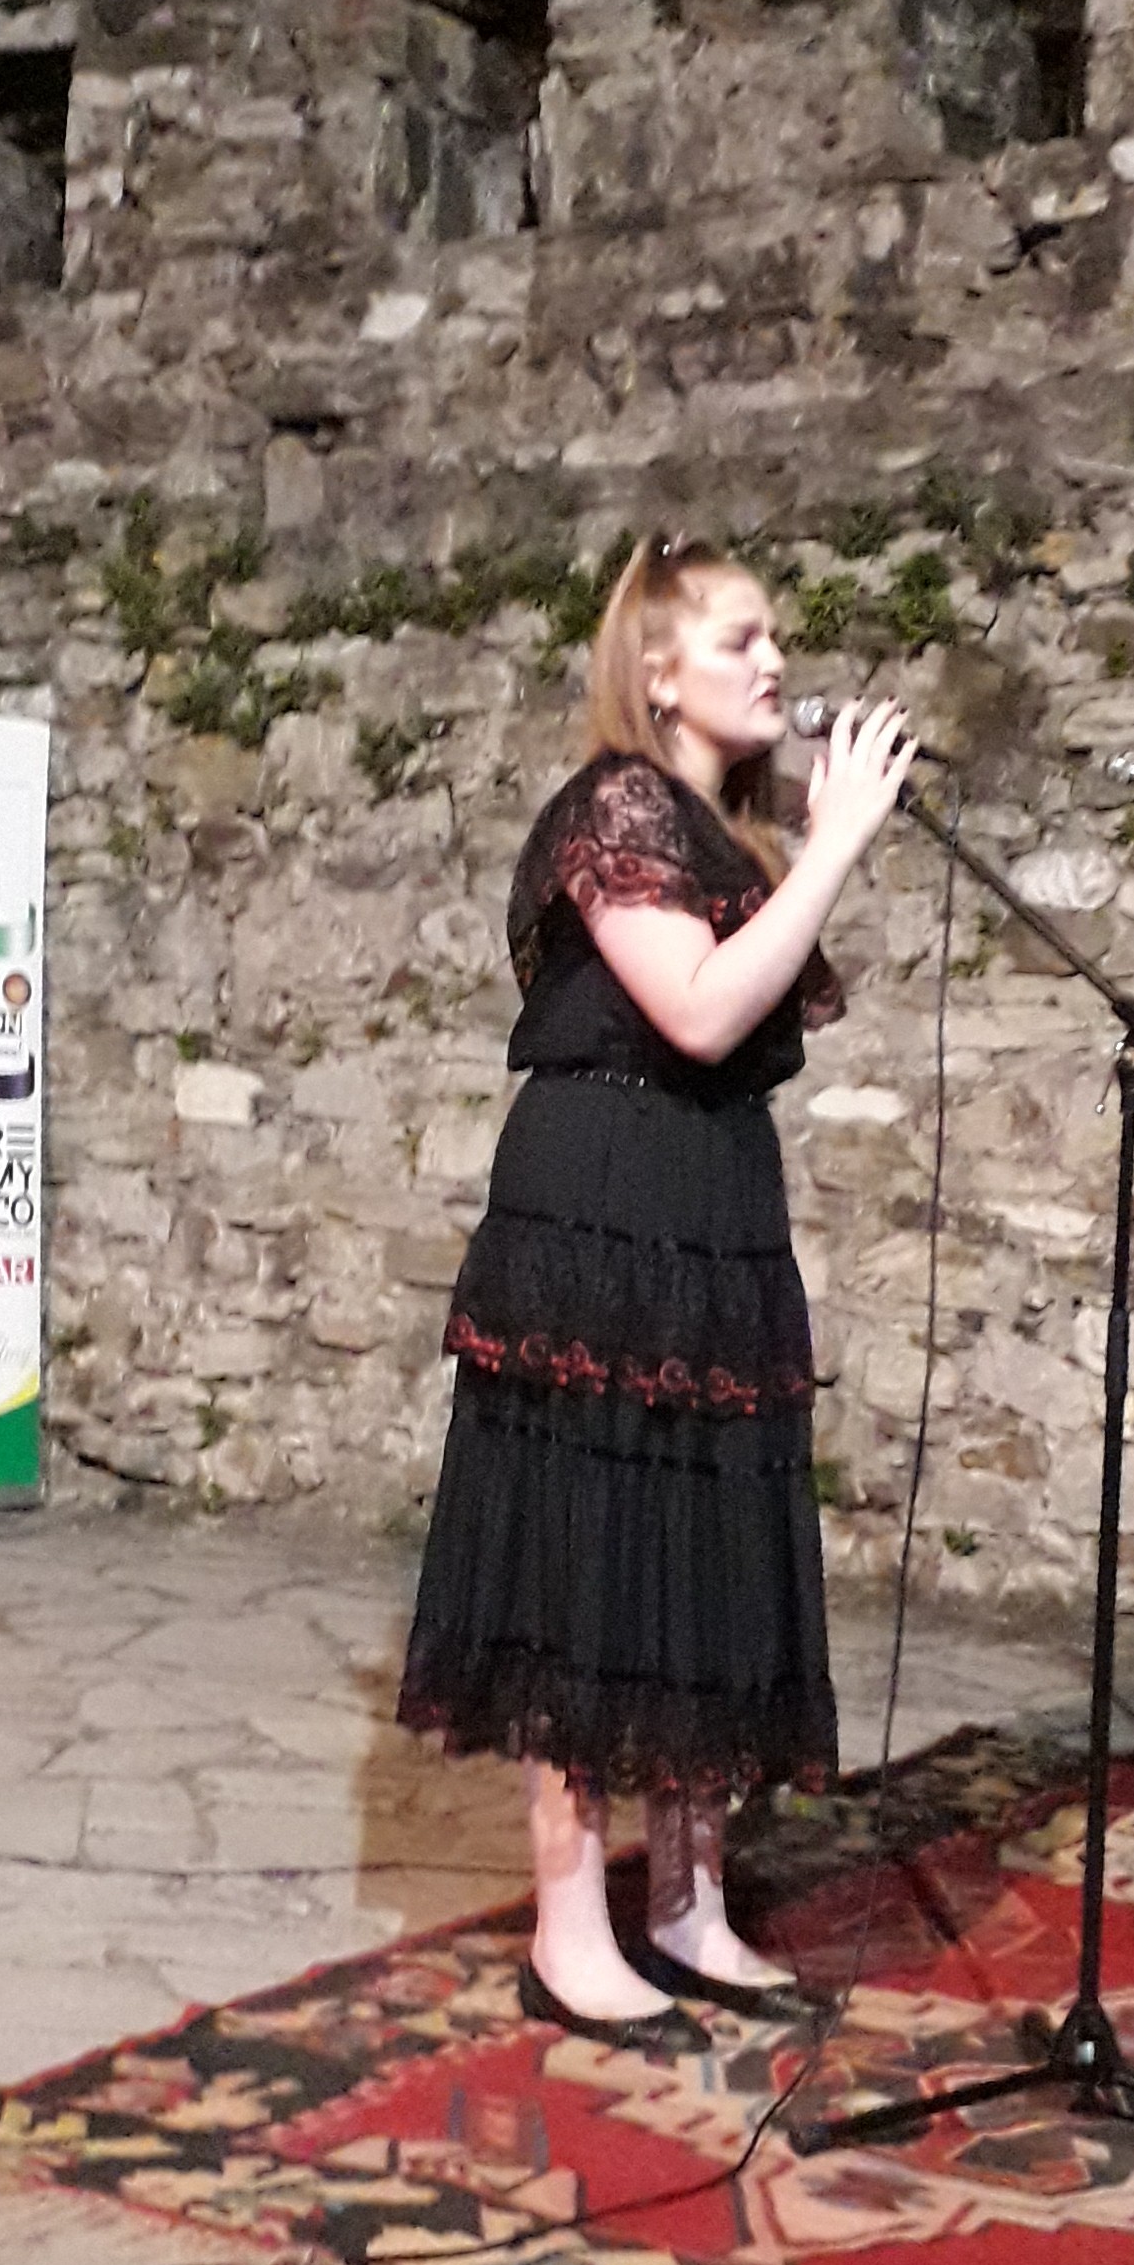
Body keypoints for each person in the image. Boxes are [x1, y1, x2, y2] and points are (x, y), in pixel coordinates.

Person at [398, 530, 913, 2052]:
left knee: (699, 1541)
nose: (776, 662)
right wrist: (837, 844)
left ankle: (690, 1902)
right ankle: (571, 1933)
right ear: (658, 670)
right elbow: (692, 1010)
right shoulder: (614, 806)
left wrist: (805, 850)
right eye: (742, 638)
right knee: (588, 1551)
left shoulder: (717, 834)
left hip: (706, 1205)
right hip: (601, 1205)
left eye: (774, 638)